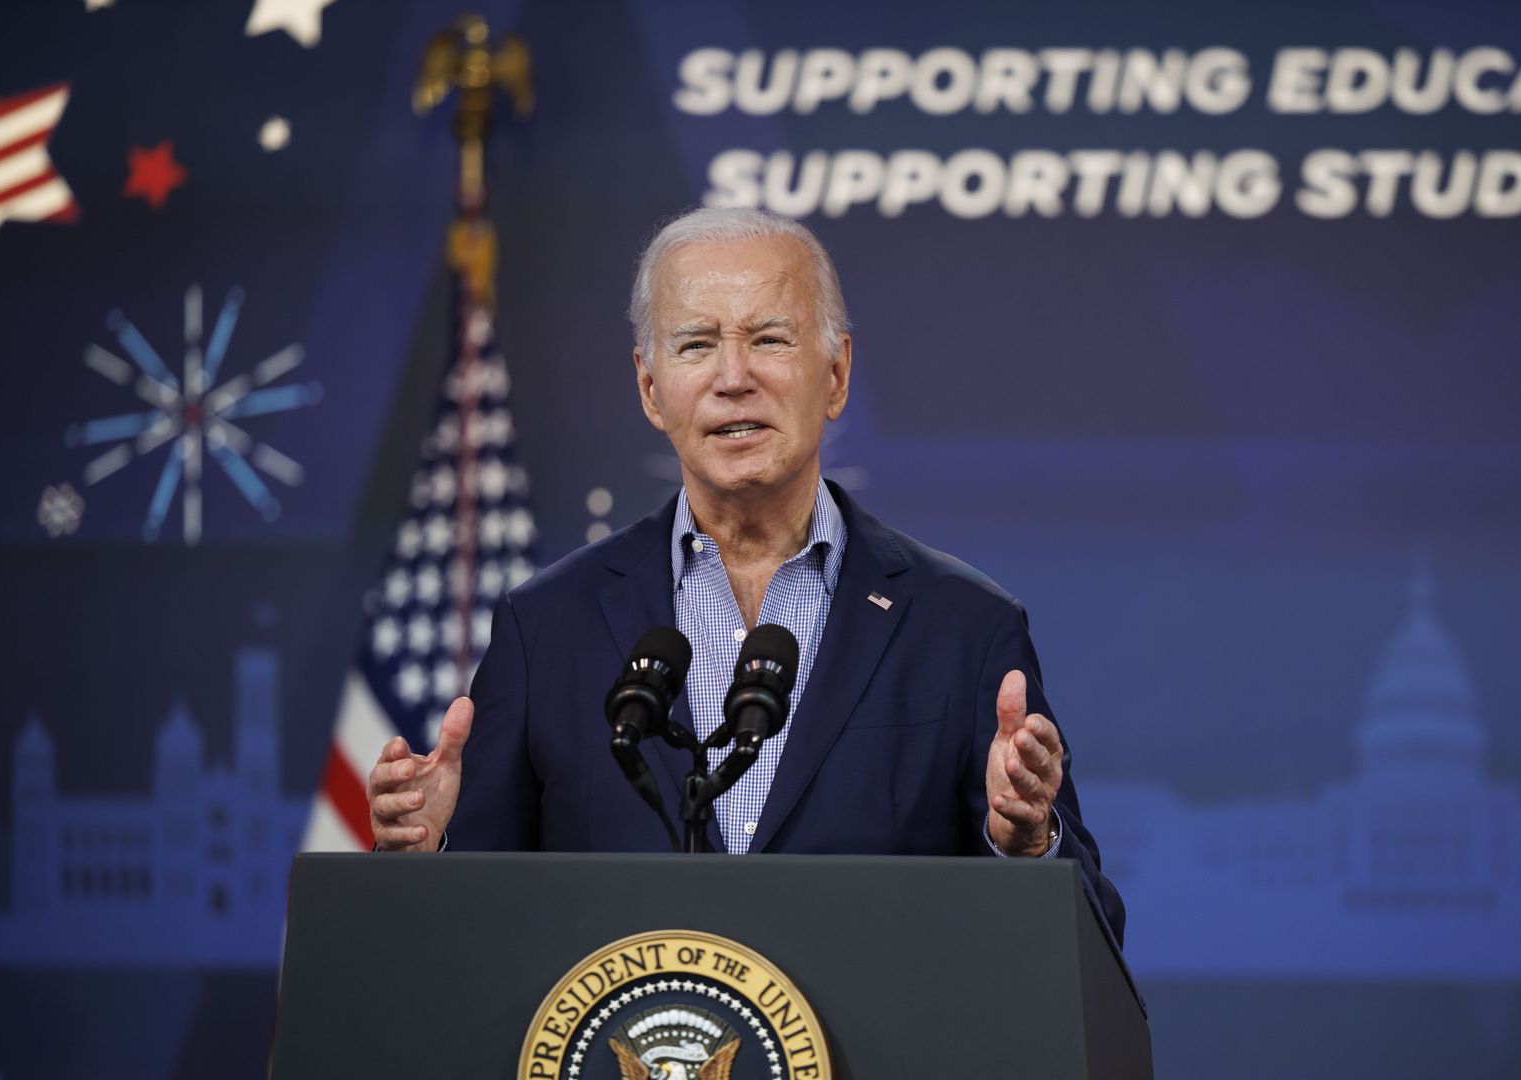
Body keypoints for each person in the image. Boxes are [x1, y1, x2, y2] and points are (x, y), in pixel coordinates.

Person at [364, 206, 1124, 942]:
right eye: (696, 345)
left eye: (768, 339)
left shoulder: (963, 626)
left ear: (836, 374)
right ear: (650, 388)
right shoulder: (547, 628)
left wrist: (1025, 845)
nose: (734, 377)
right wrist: (427, 859)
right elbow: (473, 937)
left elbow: (1092, 926)